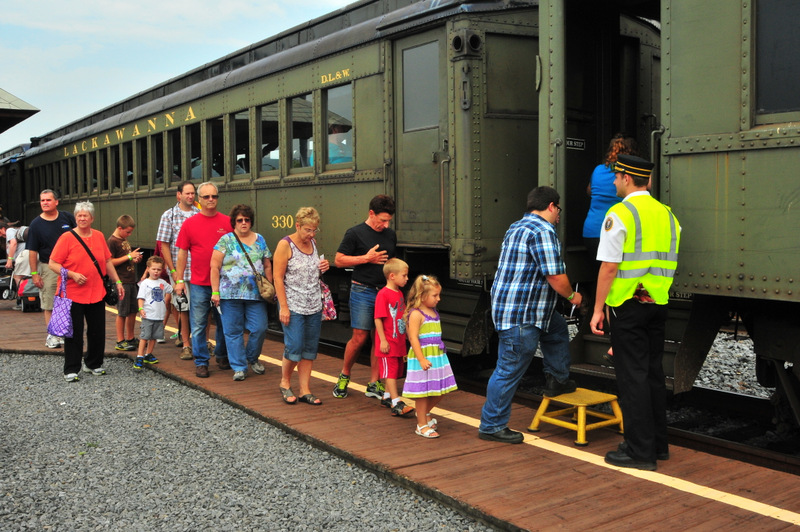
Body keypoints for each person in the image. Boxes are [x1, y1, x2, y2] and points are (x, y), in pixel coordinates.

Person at [589, 155, 680, 471]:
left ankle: (640, 453)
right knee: (653, 373)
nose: (613, 182)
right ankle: (658, 445)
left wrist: (598, 309)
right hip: (658, 304)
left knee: (632, 378)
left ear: (627, 177)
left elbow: (610, 267)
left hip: (627, 306)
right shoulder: (668, 215)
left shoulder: (620, 213)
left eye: (616, 177)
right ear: (649, 181)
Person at [478, 186, 583, 444]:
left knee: (557, 329)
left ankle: (557, 380)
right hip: (522, 315)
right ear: (550, 206)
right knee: (509, 369)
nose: (559, 215)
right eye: (558, 209)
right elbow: (555, 276)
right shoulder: (543, 231)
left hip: (527, 309)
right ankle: (491, 425)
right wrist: (573, 297)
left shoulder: (517, 226)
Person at [49, 201, 124, 382]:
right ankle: (71, 368)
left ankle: (93, 363)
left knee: (97, 330)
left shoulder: (98, 236)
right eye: (79, 216)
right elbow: (53, 264)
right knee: (74, 332)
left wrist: (118, 281)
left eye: (85, 216)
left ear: (92, 218)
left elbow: (106, 261)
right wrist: (72, 274)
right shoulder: (66, 238)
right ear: (75, 218)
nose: (82, 218)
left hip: (96, 292)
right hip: (73, 293)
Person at [332, 194, 397, 399]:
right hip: (363, 291)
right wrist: (367, 258)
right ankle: (344, 376)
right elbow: (339, 260)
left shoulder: (390, 234)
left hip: (384, 293)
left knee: (380, 339)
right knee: (359, 338)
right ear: (371, 213)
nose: (385, 225)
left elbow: (392, 260)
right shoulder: (355, 233)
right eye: (382, 220)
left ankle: (374, 383)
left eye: (388, 221)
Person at [174, 182, 232, 378]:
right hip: (199, 282)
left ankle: (223, 355)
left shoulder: (228, 222)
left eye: (214, 196)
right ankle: (201, 361)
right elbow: (182, 254)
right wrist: (179, 280)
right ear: (199, 199)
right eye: (206, 197)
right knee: (198, 323)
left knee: (224, 322)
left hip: (224, 283)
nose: (210, 200)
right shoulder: (189, 224)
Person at [273, 207, 330, 405]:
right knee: (294, 346)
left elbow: (313, 270)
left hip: (314, 304)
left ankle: (305, 389)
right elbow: (277, 278)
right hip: (293, 304)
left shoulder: (312, 243)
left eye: (314, 230)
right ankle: (285, 382)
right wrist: (283, 307)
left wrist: (324, 266)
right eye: (307, 230)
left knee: (309, 349)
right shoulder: (285, 245)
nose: (311, 234)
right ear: (297, 226)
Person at [210, 204, 273, 381]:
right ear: (234, 222)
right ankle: (239, 366)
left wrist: (270, 285)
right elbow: (214, 266)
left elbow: (267, 264)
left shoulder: (260, 239)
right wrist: (215, 292)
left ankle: (252, 358)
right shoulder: (225, 240)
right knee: (232, 331)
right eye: (240, 220)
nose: (244, 223)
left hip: (256, 294)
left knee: (259, 328)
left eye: (247, 220)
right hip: (229, 294)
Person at [403, 275, 457, 438]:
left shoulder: (433, 312)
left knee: (440, 390)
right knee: (423, 391)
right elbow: (413, 338)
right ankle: (421, 424)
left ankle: (423, 413)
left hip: (437, 356)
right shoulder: (416, 314)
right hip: (423, 356)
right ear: (422, 295)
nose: (438, 299)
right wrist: (421, 359)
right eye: (435, 295)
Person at [27, 189, 76, 349]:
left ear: (56, 202)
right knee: (49, 302)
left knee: (69, 301)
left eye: (48, 200)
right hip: (48, 267)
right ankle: (52, 335)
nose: (45, 203)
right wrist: (35, 274)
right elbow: (32, 251)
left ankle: (65, 333)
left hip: (70, 267)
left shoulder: (67, 218)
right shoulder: (36, 224)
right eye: (42, 200)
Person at [156, 180, 199, 360]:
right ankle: (186, 344)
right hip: (180, 271)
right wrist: (173, 271)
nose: (190, 196)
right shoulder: (169, 216)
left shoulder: (199, 213)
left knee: (200, 308)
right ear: (179, 195)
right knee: (183, 307)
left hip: (198, 270)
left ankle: (198, 342)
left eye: (192, 193)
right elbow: (164, 245)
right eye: (187, 193)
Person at [582, 134, 640, 267]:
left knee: (600, 274)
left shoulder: (598, 170)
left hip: (592, 232)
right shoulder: (630, 175)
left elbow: (589, 191)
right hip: (615, 232)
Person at [373, 258, 414, 417]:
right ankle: (396, 402)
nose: (407, 278)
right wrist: (383, 340)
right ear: (392, 276)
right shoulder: (383, 294)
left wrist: (409, 335)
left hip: (398, 341)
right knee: (390, 371)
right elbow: (378, 318)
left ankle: (387, 396)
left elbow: (402, 316)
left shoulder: (399, 294)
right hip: (388, 341)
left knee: (396, 370)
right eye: (404, 275)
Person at [108, 215, 143, 351]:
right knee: (122, 311)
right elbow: (110, 261)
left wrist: (133, 259)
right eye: (128, 232)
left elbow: (125, 259)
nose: (129, 234)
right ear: (119, 228)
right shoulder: (112, 241)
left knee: (133, 310)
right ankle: (120, 340)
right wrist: (129, 256)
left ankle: (130, 337)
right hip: (121, 280)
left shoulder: (123, 239)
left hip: (130, 279)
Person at [135, 256, 172, 371]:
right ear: (148, 269)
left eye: (159, 270)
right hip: (148, 315)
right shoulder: (145, 283)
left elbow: (172, 289)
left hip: (159, 315)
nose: (156, 272)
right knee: (144, 336)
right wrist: (141, 309)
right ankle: (139, 356)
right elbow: (140, 298)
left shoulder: (163, 283)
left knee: (154, 337)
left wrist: (180, 286)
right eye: (154, 269)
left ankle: (148, 354)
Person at [5, 224, 30, 310]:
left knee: (18, 277)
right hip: (28, 255)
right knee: (29, 276)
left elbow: (13, 243)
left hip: (23, 256)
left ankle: (23, 299)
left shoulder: (9, 231)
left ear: (2, 228)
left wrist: (9, 260)